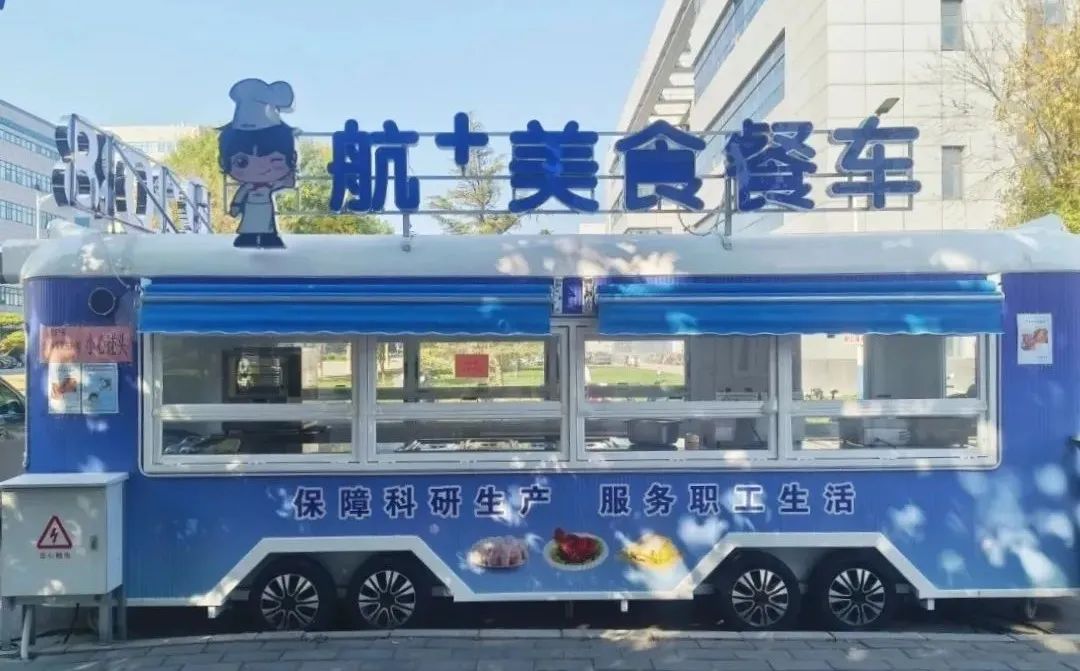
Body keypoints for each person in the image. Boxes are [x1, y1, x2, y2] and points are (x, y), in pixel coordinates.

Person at [218, 79, 298, 248]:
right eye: (242, 162)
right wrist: (236, 207)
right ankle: (248, 237)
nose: (260, 168)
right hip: (252, 210)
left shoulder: (265, 186)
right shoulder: (251, 187)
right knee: (251, 223)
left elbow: (286, 183)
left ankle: (268, 237)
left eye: (274, 160)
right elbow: (240, 197)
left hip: (265, 209)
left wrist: (289, 180)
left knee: (266, 223)